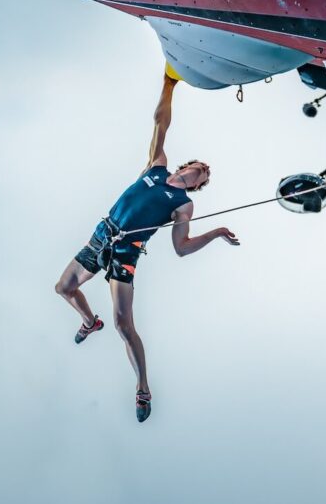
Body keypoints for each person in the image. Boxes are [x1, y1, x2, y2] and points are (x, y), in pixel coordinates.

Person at [54, 72, 240, 422]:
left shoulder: (183, 204)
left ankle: (142, 386)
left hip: (126, 252)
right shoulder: (156, 167)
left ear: (198, 186)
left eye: (204, 176)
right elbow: (160, 122)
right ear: (188, 165)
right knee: (63, 288)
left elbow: (181, 248)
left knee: (124, 325)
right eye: (200, 167)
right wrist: (169, 85)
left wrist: (215, 233)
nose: (202, 172)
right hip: (102, 236)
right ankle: (89, 322)